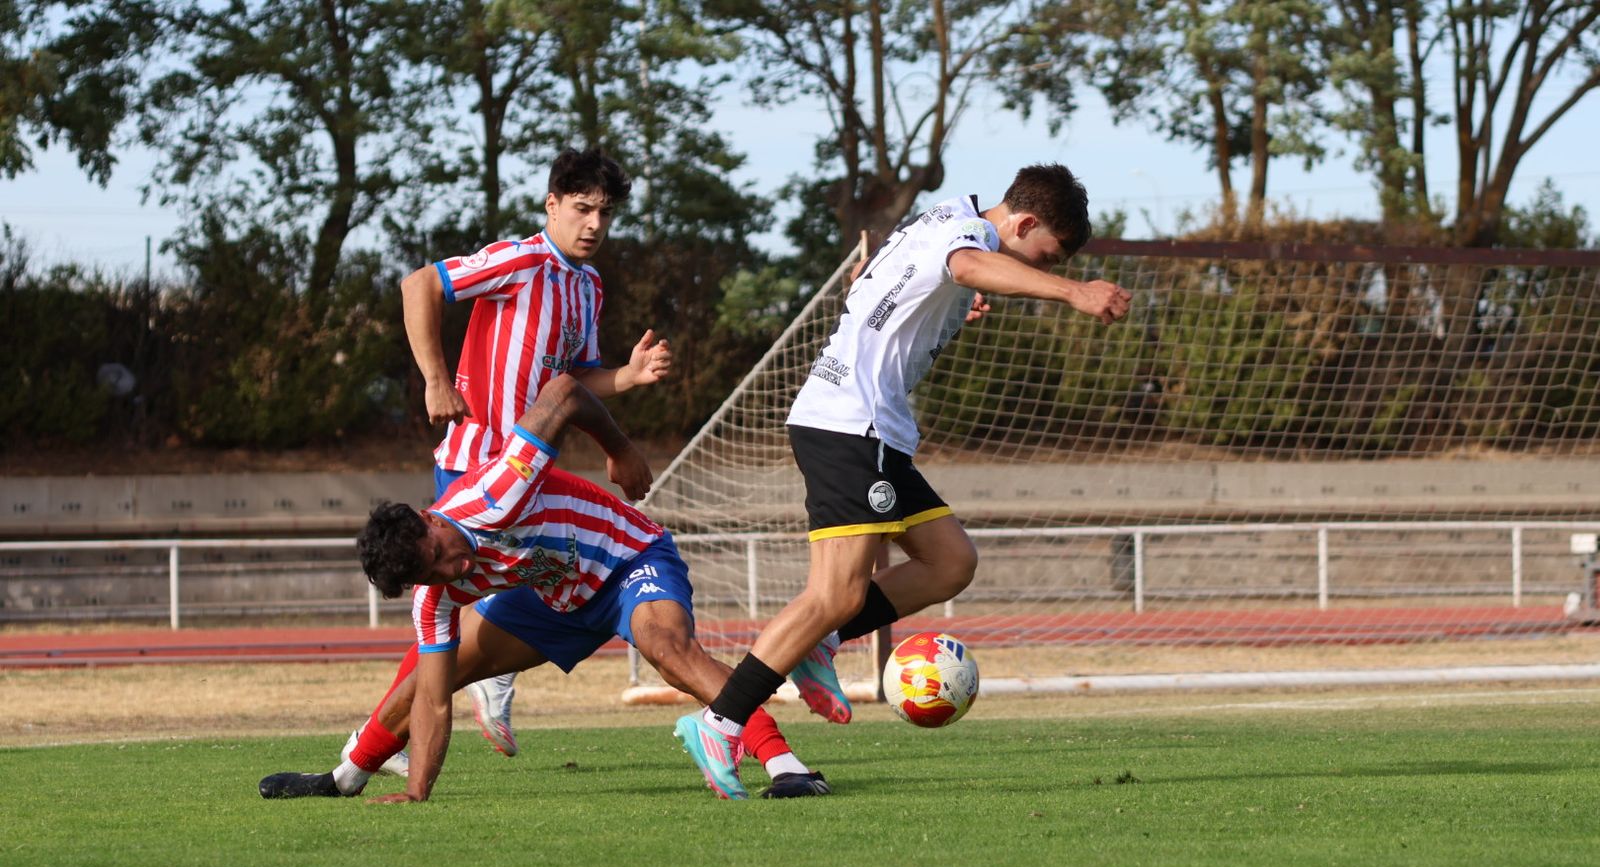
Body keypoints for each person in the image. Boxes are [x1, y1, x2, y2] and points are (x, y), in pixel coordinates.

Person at [673, 163, 1133, 788]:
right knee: (834, 595)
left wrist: (942, 308)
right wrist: (1074, 292)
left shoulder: (945, 215)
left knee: (950, 562)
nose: (1044, 270)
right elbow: (966, 266)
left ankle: (820, 644)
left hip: (874, 431)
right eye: (1045, 256)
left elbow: (889, 281)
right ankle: (722, 721)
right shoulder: (965, 237)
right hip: (848, 424)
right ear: (1022, 223)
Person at [259, 375, 829, 802]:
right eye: (430, 576)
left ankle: (786, 766)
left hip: (628, 561)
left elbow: (563, 392)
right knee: (429, 675)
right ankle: (345, 777)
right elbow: (433, 701)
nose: (453, 574)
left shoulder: (499, 492)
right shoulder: (434, 593)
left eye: (440, 557)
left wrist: (620, 449)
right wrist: (416, 793)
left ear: (430, 519)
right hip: (553, 598)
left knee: (667, 649)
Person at [399, 146, 671, 758]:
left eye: (605, 212)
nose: (595, 224)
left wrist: (626, 377)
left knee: (536, 585)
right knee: (440, 605)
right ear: (552, 204)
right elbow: (420, 285)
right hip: (474, 464)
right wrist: (435, 379)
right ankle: (394, 733)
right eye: (582, 209)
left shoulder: (588, 285)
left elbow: (577, 380)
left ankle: (472, 685)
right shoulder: (520, 259)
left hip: (530, 473)